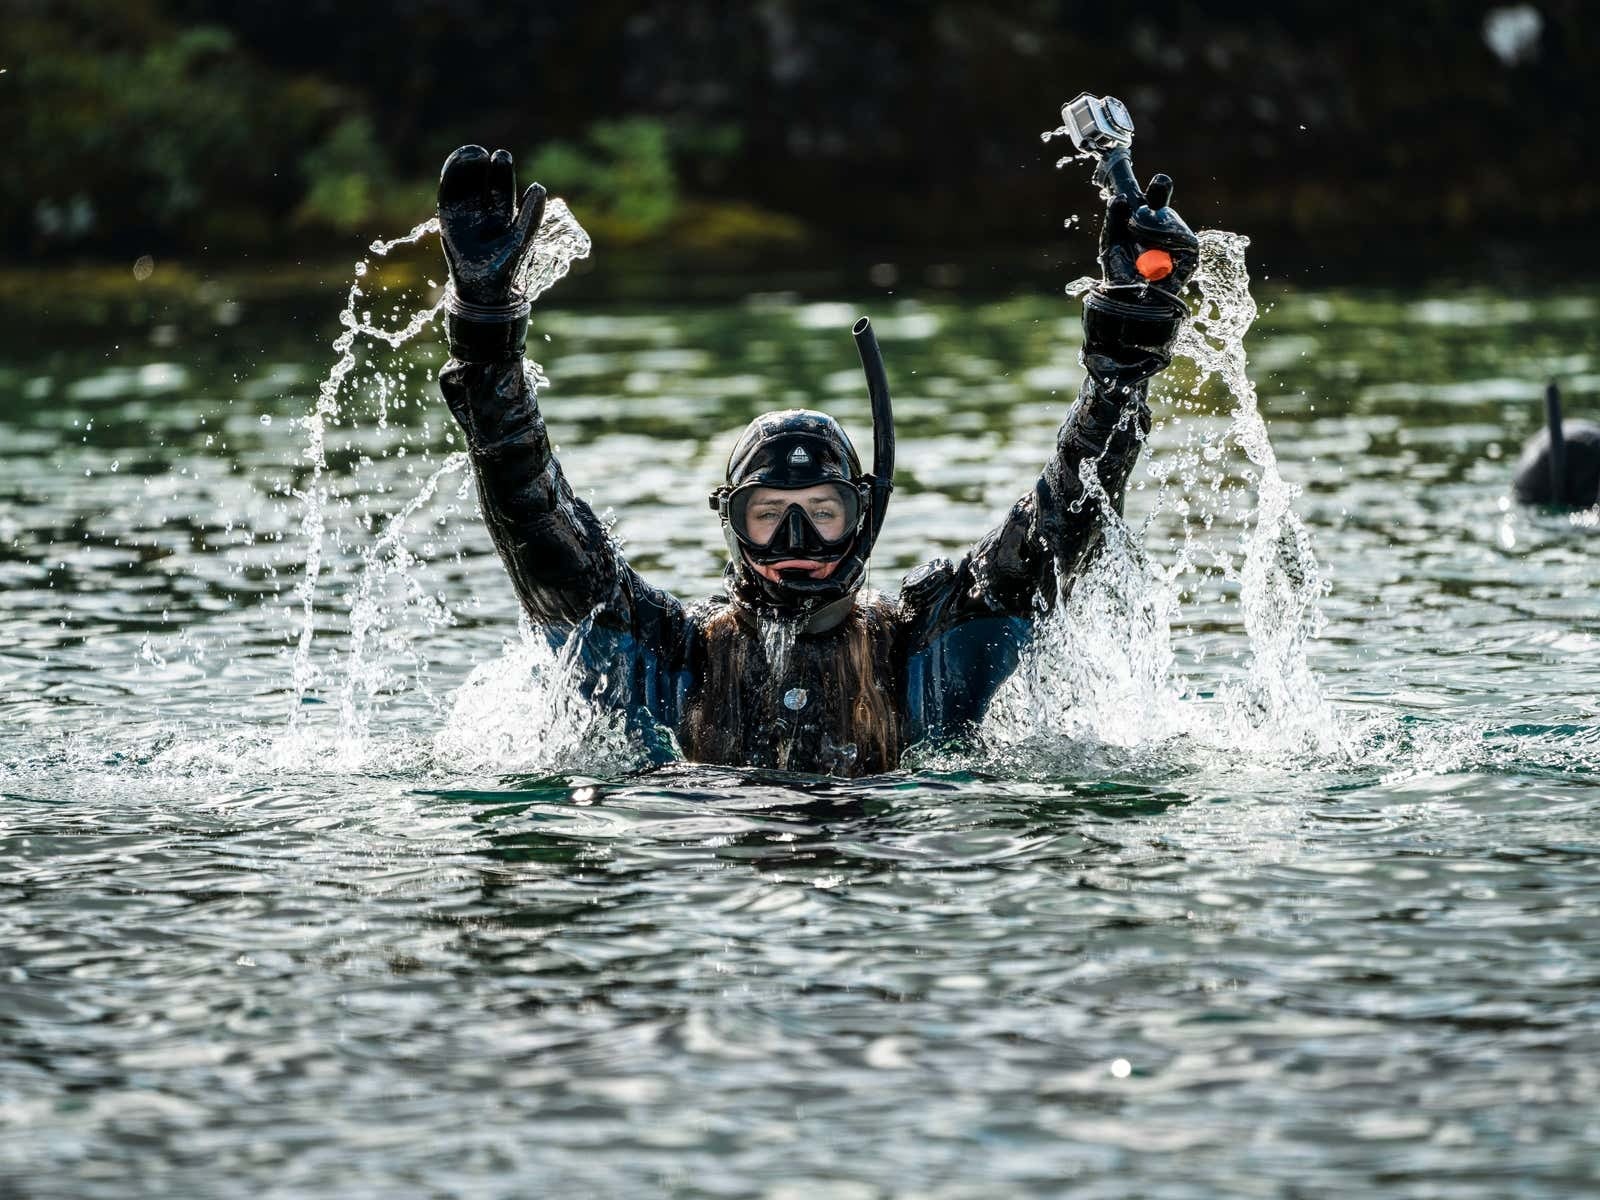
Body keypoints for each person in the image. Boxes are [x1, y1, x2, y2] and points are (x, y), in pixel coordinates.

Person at [434, 144, 1198, 775]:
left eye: (822, 514)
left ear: (864, 514)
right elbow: (536, 516)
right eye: (768, 517)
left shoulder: (925, 650)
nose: (796, 545)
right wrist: (485, 338)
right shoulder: (664, 656)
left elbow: (1061, 520)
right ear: (730, 524)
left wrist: (1120, 371)